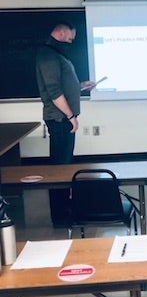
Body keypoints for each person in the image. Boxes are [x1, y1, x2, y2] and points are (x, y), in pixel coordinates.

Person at [35, 22, 95, 228]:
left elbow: (63, 86)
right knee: (59, 167)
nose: (71, 41)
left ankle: (66, 207)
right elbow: (54, 92)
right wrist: (71, 116)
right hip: (60, 119)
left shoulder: (56, 53)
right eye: (70, 37)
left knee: (64, 165)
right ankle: (60, 216)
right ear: (61, 31)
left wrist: (81, 86)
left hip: (63, 119)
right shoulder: (48, 55)